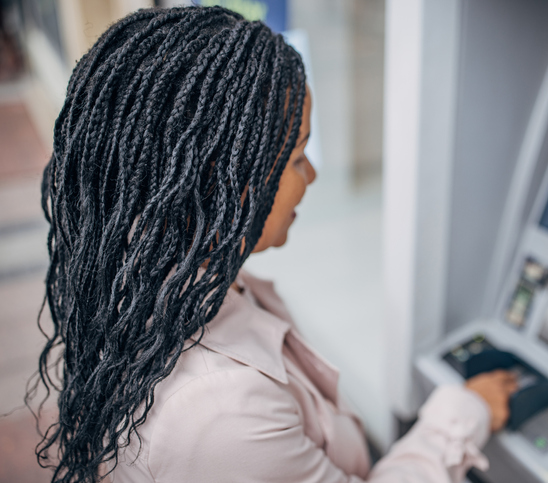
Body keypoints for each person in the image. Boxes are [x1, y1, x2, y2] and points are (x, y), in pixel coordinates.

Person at [33, 6, 517, 483]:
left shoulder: (163, 275)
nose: (312, 175)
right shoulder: (218, 412)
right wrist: (459, 417)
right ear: (224, 181)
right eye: (299, 156)